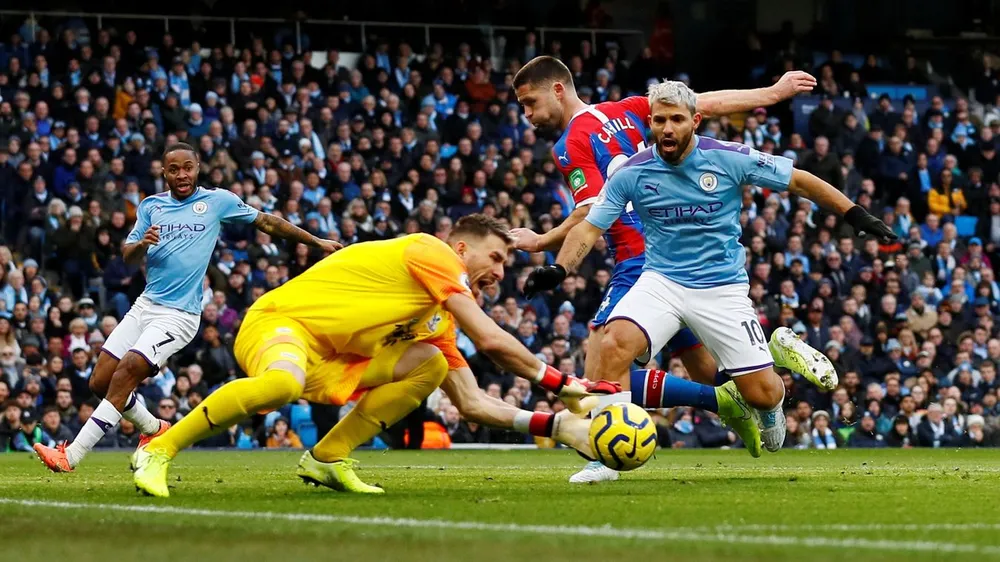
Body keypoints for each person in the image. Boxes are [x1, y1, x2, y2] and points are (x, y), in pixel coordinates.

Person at [526, 80, 896, 460]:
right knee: (613, 344)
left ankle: (775, 364)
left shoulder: (728, 158)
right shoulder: (632, 172)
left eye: (676, 120)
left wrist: (855, 214)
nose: (667, 129)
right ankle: (610, 454)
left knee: (760, 393)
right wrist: (559, 269)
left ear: (695, 121)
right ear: (649, 124)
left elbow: (799, 181)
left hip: (721, 288)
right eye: (659, 121)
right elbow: (589, 226)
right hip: (660, 281)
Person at [132, 214, 616, 497]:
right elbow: (489, 339)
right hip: (282, 324)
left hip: (332, 358)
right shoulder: (432, 252)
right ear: (462, 248)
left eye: (506, 264)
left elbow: (472, 403)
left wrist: (556, 425)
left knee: (430, 364)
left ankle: (327, 458)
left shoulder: (438, 319)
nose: (501, 272)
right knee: (282, 384)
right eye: (496, 257)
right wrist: (561, 382)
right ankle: (158, 448)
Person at [34, 143, 342, 472]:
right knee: (99, 382)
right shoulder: (151, 206)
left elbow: (267, 222)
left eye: (187, 168)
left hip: (179, 316)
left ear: (197, 168)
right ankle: (153, 428)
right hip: (145, 305)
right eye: (174, 169)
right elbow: (128, 256)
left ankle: (71, 455)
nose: (182, 175)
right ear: (164, 173)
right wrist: (142, 244)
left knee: (127, 372)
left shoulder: (217, 201)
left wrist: (316, 241)